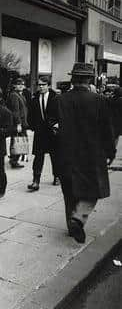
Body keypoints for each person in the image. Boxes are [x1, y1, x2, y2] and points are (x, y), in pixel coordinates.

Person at [56, 63, 116, 243]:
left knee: (69, 192)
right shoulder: (99, 100)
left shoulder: (60, 100)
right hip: (92, 155)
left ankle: (70, 225)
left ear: (73, 79)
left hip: (66, 153)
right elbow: (107, 130)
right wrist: (110, 152)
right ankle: (78, 218)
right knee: (93, 191)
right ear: (89, 79)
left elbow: (53, 127)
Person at [27, 76, 60, 191]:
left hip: (53, 132)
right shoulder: (34, 98)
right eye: (39, 85)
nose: (41, 87)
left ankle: (57, 176)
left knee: (55, 156)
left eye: (43, 85)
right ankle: (36, 181)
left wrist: (57, 125)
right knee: (38, 157)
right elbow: (30, 114)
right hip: (40, 132)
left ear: (49, 86)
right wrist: (33, 126)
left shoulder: (56, 98)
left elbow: (60, 114)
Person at [7, 78, 28, 168]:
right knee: (18, 141)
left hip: (22, 122)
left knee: (19, 140)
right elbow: (15, 111)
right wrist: (18, 124)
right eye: (18, 84)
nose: (20, 86)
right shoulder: (14, 95)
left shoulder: (20, 95)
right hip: (18, 123)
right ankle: (14, 160)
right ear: (14, 85)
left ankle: (14, 159)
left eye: (22, 84)